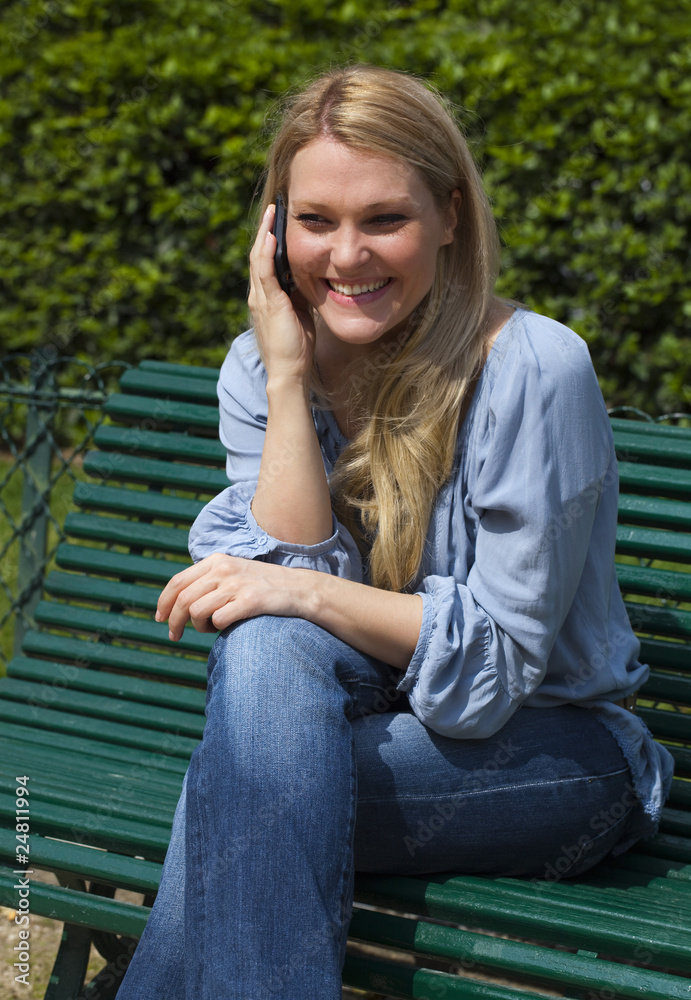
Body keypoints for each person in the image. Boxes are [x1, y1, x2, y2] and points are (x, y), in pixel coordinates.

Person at [116, 65, 674, 1000]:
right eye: (314, 220)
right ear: (274, 229)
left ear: (450, 216)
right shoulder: (261, 368)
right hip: (358, 723)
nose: (346, 255)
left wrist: (304, 590)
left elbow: (493, 674)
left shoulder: (534, 368)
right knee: (265, 663)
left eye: (384, 219)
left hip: (552, 754)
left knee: (242, 779)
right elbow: (275, 600)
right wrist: (288, 381)